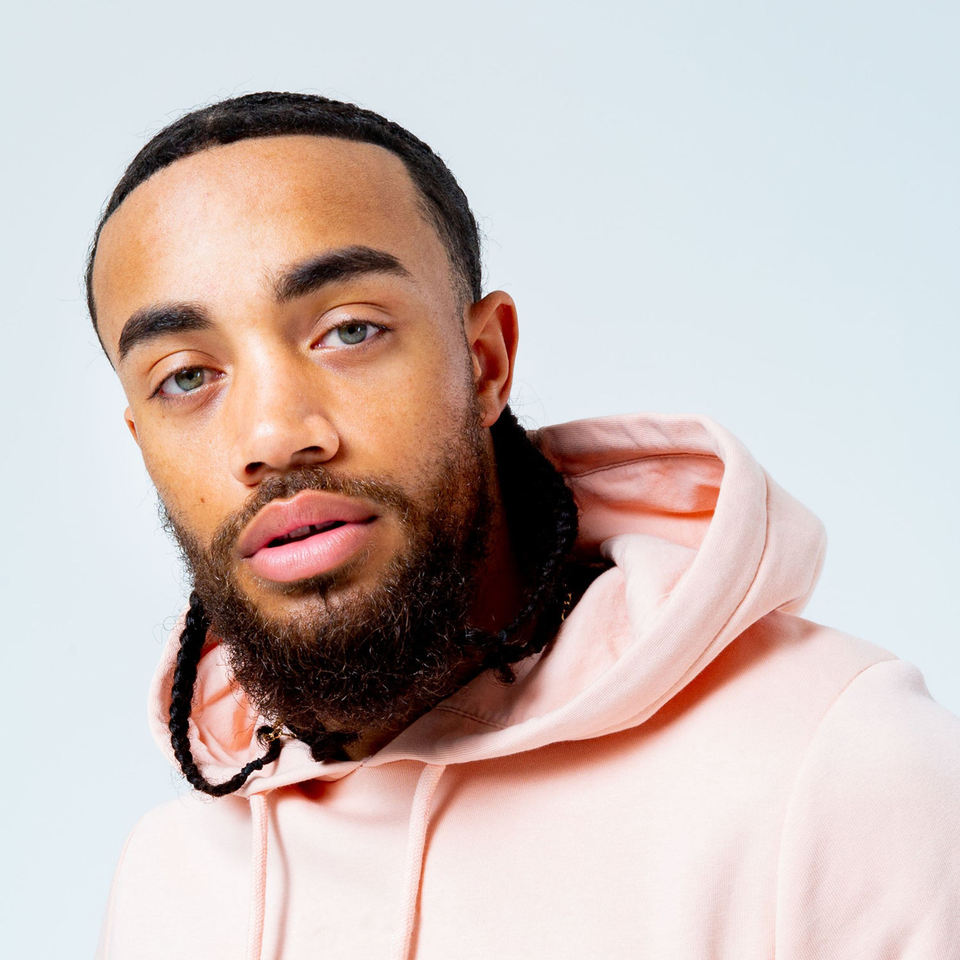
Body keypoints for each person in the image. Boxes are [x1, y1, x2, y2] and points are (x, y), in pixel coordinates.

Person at [89, 92, 960, 960]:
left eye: (349, 331)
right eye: (185, 377)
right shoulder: (171, 881)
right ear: (142, 443)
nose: (274, 436)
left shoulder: (836, 760)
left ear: (486, 362)